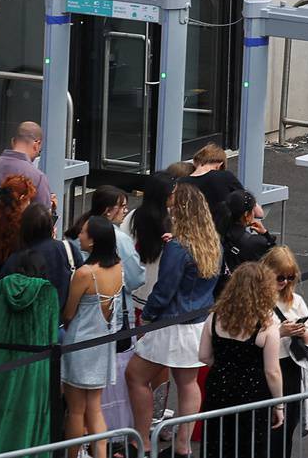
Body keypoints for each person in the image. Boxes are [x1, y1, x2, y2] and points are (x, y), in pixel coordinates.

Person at [126, 183, 222, 454]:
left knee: (135, 376)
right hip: (198, 322)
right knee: (188, 383)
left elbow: (165, 289)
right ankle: (182, 445)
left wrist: (147, 315)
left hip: (170, 323)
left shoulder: (178, 247)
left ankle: (141, 440)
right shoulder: (213, 242)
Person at [197, 262, 284, 458]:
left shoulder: (215, 317)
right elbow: (273, 372)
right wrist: (279, 404)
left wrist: (225, 368)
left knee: (217, 443)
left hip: (219, 387)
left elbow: (203, 355)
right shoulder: (267, 326)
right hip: (252, 393)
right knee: (250, 446)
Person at [59, 215, 128, 458]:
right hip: (103, 343)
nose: (80, 235)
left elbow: (69, 312)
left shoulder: (85, 273)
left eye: (84, 232)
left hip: (79, 344)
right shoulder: (118, 267)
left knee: (76, 411)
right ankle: (100, 453)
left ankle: (73, 455)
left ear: (95, 240)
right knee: (95, 409)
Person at [265, 245, 308, 455]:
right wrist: (279, 332)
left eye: (290, 277)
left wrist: (300, 331)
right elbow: (251, 340)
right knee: (266, 427)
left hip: (291, 367)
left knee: (287, 427)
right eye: (280, 277)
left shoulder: (296, 301)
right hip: (266, 368)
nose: (285, 282)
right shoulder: (256, 301)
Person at [0, 121, 55, 209]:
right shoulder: (38, 177)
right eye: (40, 150)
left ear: (13, 141)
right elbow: (42, 218)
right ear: (37, 145)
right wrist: (52, 205)